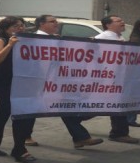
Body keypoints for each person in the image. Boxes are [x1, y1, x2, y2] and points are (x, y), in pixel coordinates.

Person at [34, 14, 103, 149]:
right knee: (31, 109)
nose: (56, 23)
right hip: (41, 81)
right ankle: (24, 136)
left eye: (56, 21)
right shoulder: (34, 39)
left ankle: (80, 137)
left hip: (59, 80)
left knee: (68, 107)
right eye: (52, 21)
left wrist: (85, 44)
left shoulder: (57, 39)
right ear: (42, 24)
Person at [0, 16, 37, 163]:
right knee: (19, 112)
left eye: (21, 26)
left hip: (17, 81)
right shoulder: (1, 40)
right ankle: (19, 150)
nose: (20, 28)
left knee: (2, 114)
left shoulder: (22, 40)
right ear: (6, 29)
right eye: (16, 26)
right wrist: (10, 45)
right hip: (3, 82)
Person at [94, 15, 139, 144]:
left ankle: (119, 132)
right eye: (118, 21)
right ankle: (118, 133)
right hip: (108, 77)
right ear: (108, 25)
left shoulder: (118, 37)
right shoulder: (103, 37)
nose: (122, 22)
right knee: (113, 103)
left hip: (118, 77)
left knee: (115, 103)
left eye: (122, 20)